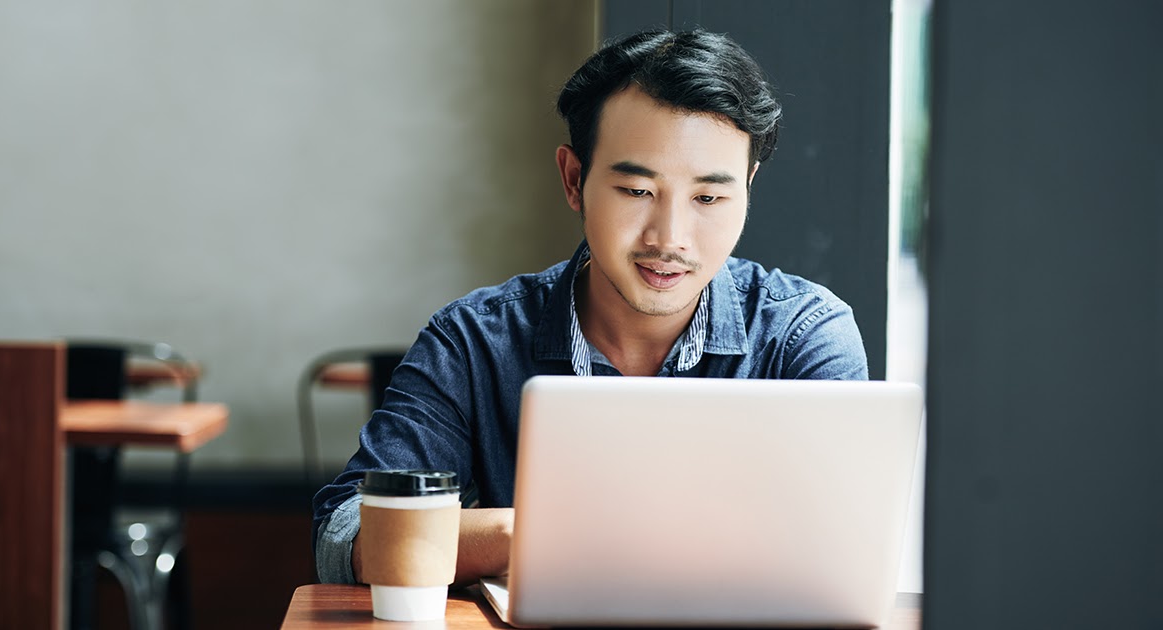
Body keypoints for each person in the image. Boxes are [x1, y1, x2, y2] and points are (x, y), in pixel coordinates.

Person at [313, 28, 868, 586]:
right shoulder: (474, 341)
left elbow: (843, 550)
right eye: (636, 191)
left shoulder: (803, 335)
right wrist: (522, 534)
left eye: (708, 198)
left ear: (747, 188)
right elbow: (347, 537)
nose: (670, 238)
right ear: (575, 180)